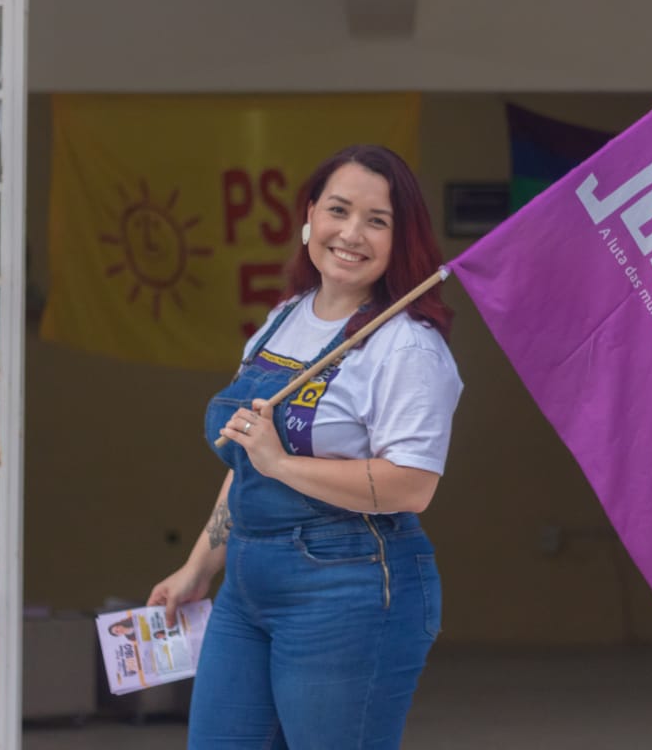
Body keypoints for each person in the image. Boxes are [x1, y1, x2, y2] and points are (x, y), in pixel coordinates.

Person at [147, 144, 463, 750]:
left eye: (377, 221)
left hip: (349, 586)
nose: (351, 233)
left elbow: (411, 485)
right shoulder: (283, 317)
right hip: (247, 585)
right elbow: (248, 462)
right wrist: (198, 567)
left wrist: (283, 463)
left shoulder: (409, 347)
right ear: (309, 217)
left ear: (403, 241)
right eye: (338, 211)